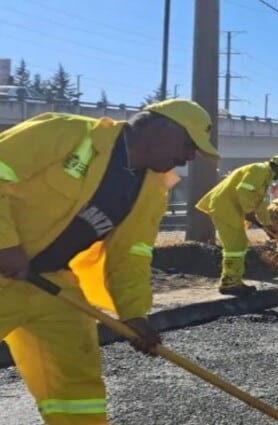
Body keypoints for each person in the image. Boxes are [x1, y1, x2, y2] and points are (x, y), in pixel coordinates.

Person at [0, 98, 219, 424]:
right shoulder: (64, 132)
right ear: (159, 127)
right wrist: (5, 243)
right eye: (189, 144)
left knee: (78, 386)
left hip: (49, 283)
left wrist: (133, 313)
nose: (190, 157)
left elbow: (131, 255)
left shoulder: (151, 190)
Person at [196, 155, 278, 295]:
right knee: (234, 246)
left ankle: (233, 280)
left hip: (232, 209)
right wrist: (249, 211)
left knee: (239, 245)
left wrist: (267, 224)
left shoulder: (265, 177)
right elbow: (243, 191)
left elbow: (260, 204)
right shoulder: (258, 170)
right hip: (225, 207)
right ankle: (230, 283)